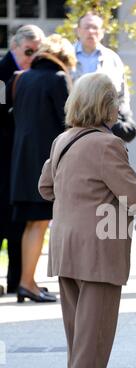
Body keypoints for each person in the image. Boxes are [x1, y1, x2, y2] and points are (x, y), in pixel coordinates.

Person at [38, 72, 136, 368]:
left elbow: (45, 186)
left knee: (79, 337)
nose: (118, 107)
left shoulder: (63, 140)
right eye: (115, 100)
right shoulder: (107, 144)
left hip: (66, 248)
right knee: (95, 336)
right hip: (99, 252)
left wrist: (77, 201)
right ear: (105, 105)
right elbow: (134, 197)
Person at [9, 34, 76, 303]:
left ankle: (28, 281)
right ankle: (27, 283)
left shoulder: (22, 78)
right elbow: (69, 120)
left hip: (22, 162)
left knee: (31, 224)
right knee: (39, 223)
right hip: (43, 162)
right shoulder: (57, 79)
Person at [0, 24, 45, 295]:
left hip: (20, 159)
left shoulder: (33, 76)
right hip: (3, 156)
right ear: (15, 46)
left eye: (37, 52)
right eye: (29, 51)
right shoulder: (2, 73)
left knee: (18, 220)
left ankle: (18, 280)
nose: (32, 57)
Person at [73, 11, 136, 143]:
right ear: (78, 30)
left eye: (95, 27)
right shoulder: (67, 56)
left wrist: (125, 118)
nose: (91, 31)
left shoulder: (113, 59)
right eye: (87, 27)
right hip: (74, 127)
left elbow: (122, 94)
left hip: (106, 128)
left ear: (102, 32)